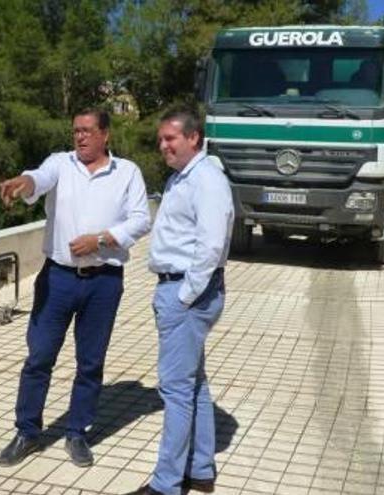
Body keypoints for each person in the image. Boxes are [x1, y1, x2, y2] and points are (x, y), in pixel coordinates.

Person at [0, 108, 150, 468]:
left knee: (91, 362)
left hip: (105, 282)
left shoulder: (127, 172)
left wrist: (101, 240)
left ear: (105, 134)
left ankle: (77, 432)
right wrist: (24, 183)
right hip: (58, 279)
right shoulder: (61, 163)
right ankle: (27, 432)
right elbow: (39, 178)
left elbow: (141, 219)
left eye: (88, 131)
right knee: (39, 357)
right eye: (76, 131)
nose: (80, 137)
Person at [127, 108, 233, 495]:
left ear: (194, 138)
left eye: (170, 139)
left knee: (174, 390)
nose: (163, 146)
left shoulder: (206, 179)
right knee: (193, 384)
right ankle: (200, 470)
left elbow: (211, 244)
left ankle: (167, 484)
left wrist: (186, 295)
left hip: (186, 293)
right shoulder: (185, 177)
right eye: (160, 140)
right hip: (182, 290)